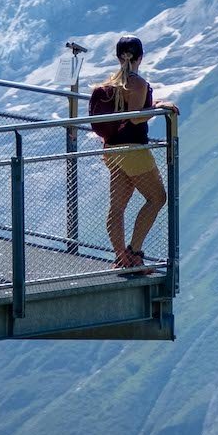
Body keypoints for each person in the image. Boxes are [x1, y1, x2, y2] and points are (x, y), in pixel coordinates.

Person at [88, 35, 169, 272]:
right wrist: (157, 108)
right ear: (140, 57)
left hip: (112, 151)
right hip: (134, 151)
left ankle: (120, 257)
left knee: (117, 206)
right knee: (157, 198)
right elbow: (136, 116)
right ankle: (135, 253)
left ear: (117, 57)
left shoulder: (110, 85)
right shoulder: (138, 83)